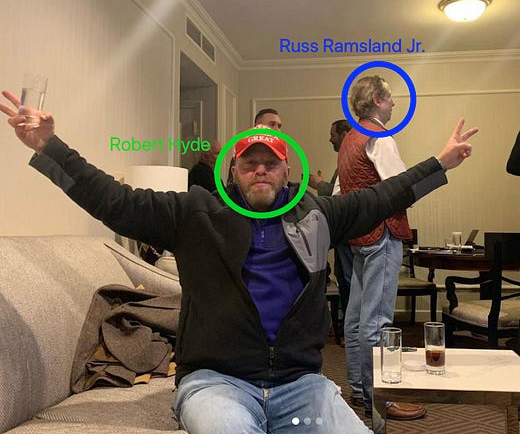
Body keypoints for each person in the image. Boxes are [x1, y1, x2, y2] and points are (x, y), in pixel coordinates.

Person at [1, 89, 477, 434]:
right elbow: (115, 201)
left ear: (287, 168)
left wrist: (441, 163)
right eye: (250, 163)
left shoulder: (318, 214)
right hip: (216, 383)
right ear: (234, 169)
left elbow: (383, 196)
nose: (260, 170)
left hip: (300, 384)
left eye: (270, 162)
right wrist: (50, 147)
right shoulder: (195, 213)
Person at [338, 75, 430, 420]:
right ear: (377, 99)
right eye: (389, 98)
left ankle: (359, 392)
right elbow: (399, 188)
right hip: (383, 234)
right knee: (376, 323)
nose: (393, 104)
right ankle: (380, 401)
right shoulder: (380, 136)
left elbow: (340, 194)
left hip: (359, 237)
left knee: (355, 320)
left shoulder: (349, 139)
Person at [309, 119, 354, 323]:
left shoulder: (351, 159)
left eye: (332, 135)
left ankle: (351, 326)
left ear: (344, 135)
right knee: (344, 278)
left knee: (349, 280)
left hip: (349, 233)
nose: (330, 139)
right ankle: (348, 326)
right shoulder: (345, 158)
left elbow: (341, 195)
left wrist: (319, 185)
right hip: (343, 233)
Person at [226, 108, 282, 186]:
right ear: (257, 126)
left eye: (279, 126)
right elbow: (233, 186)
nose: (277, 130)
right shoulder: (241, 154)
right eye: (272, 124)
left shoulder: (281, 154)